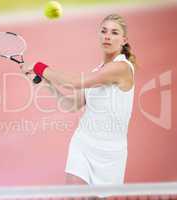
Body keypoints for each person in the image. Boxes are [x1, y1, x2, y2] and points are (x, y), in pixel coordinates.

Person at [21, 14, 137, 185]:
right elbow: (71, 105)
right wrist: (46, 84)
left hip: (110, 154)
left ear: (124, 40)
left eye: (114, 33)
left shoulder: (122, 68)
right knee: (75, 195)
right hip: (83, 143)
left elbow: (73, 83)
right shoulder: (98, 71)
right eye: (104, 31)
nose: (107, 36)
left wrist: (40, 67)